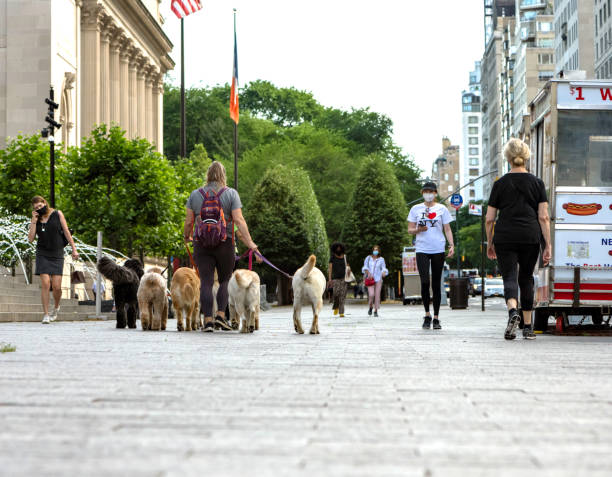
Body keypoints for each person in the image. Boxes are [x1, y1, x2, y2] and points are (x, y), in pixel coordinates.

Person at [485, 138, 551, 340]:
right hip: (530, 236)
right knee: (526, 279)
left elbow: (489, 219)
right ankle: (528, 327)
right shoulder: (537, 183)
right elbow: (543, 216)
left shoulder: (500, 184)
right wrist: (547, 244)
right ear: (526, 156)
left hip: (505, 236)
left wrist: (490, 242)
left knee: (510, 277)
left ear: (508, 158)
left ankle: (513, 311)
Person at [183, 161, 261, 332]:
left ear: (208, 175)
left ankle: (208, 321)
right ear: (223, 175)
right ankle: (220, 316)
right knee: (225, 281)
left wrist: (186, 236)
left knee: (206, 282)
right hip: (225, 243)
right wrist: (251, 244)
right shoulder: (231, 194)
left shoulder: (195, 195)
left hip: (201, 243)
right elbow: (239, 221)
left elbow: (189, 221)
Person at [407, 181, 455, 330]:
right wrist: (418, 230)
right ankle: (426, 314)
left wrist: (451, 245)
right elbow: (409, 229)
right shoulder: (415, 209)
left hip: (438, 248)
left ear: (435, 193)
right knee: (425, 282)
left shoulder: (442, 209)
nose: (428, 194)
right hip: (421, 248)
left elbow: (447, 229)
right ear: (422, 193)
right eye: (425, 191)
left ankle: (436, 317)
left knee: (436, 283)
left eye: (431, 191)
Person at [27, 196, 79, 324]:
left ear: (44, 203)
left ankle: (56, 307)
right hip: (42, 253)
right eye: (36, 208)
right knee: (45, 283)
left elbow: (66, 231)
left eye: (40, 206)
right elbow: (30, 239)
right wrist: (33, 221)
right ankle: (45, 314)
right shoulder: (36, 220)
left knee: (56, 287)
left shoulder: (57, 214)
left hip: (56, 253)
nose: (39, 209)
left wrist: (74, 249)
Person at [362, 245, 388, 317]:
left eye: (377, 250)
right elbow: (365, 267)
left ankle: (376, 310)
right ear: (372, 250)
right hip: (370, 279)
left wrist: (384, 272)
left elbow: (383, 268)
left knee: (377, 295)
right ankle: (370, 306)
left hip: (378, 279)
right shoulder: (368, 258)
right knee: (371, 294)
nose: (375, 251)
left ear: (379, 251)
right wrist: (367, 272)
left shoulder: (381, 259)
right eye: (374, 249)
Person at [328, 242, 350, 317]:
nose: (338, 249)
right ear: (334, 249)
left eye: (339, 248)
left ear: (342, 248)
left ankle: (341, 312)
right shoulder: (332, 257)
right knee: (336, 294)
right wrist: (330, 279)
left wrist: (349, 270)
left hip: (344, 278)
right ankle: (336, 307)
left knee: (342, 295)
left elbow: (348, 266)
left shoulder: (345, 257)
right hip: (335, 279)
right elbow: (330, 269)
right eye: (337, 248)